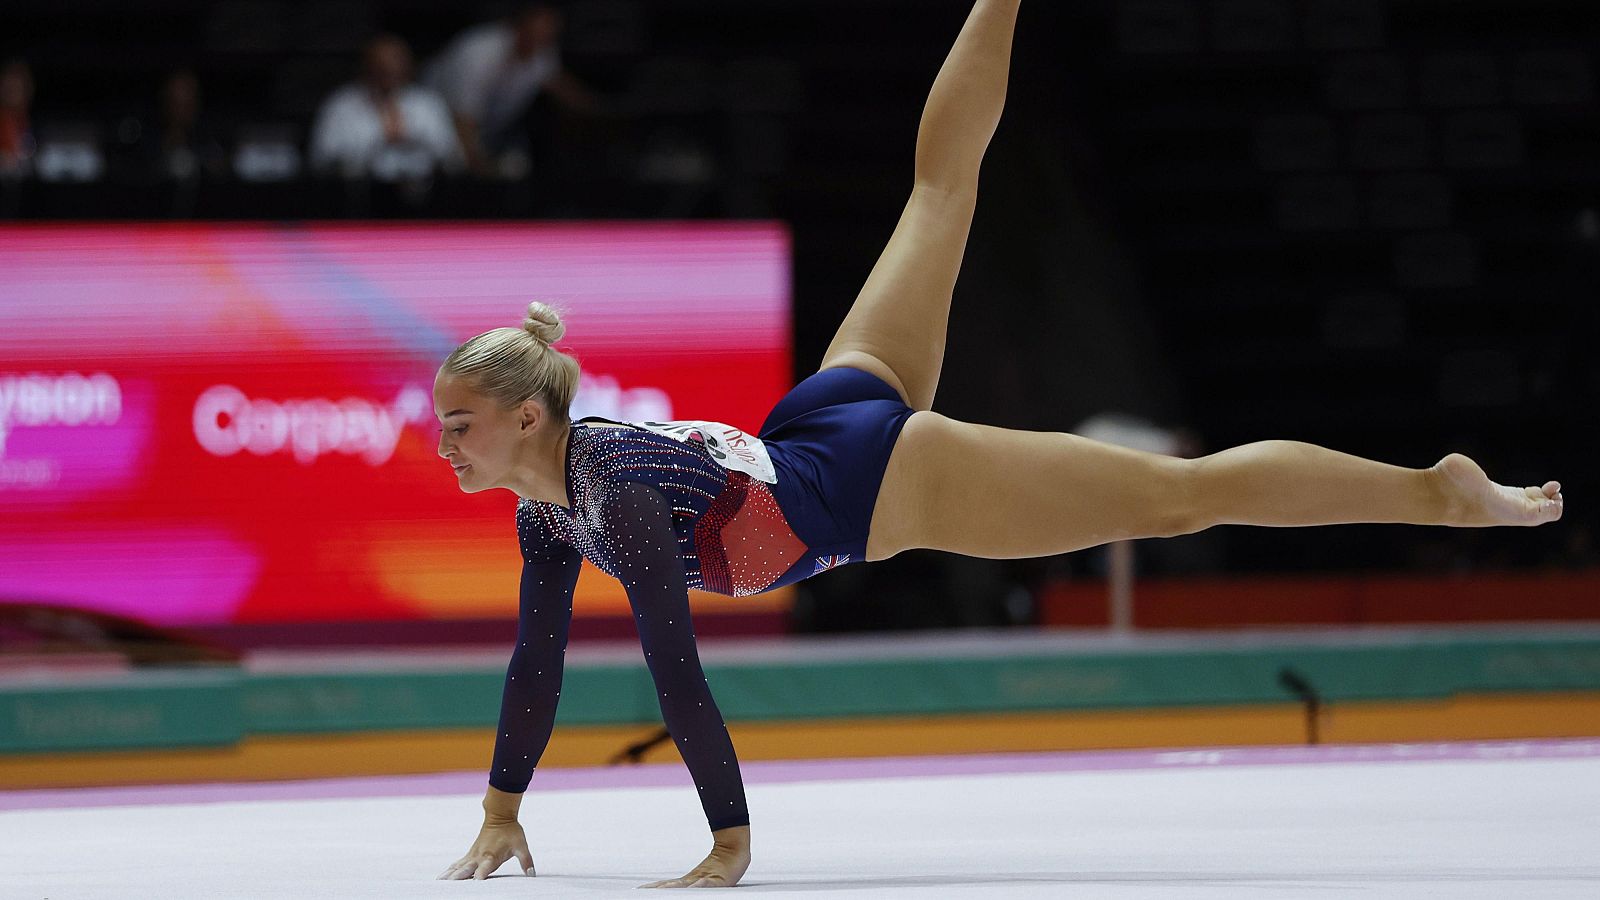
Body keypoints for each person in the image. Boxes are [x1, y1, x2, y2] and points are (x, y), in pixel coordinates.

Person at [433, 0, 1563, 887]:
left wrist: (728, 841)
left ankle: (1438, 494)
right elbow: (539, 657)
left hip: (870, 486)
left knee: (1178, 497)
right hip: (812, 425)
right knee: (938, 192)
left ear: (526, 416)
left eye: (458, 425)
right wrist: (499, 811)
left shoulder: (614, 489)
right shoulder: (550, 505)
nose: (444, 446)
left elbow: (672, 667)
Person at [424, 2, 601, 177]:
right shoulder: (480, 52)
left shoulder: (542, 51)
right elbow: (461, 118)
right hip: (434, 128)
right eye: (543, 24)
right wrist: (481, 168)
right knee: (458, 165)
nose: (549, 32)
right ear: (522, 22)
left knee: (518, 164)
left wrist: (602, 113)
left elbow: (560, 85)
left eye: (553, 27)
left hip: (488, 133)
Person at [309, 34, 464, 180]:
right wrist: (378, 143)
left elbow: (453, 159)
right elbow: (322, 160)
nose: (387, 71)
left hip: (421, 191)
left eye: (394, 65)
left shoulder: (428, 104)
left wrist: (412, 141)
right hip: (359, 195)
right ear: (366, 66)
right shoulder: (340, 105)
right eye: (380, 66)